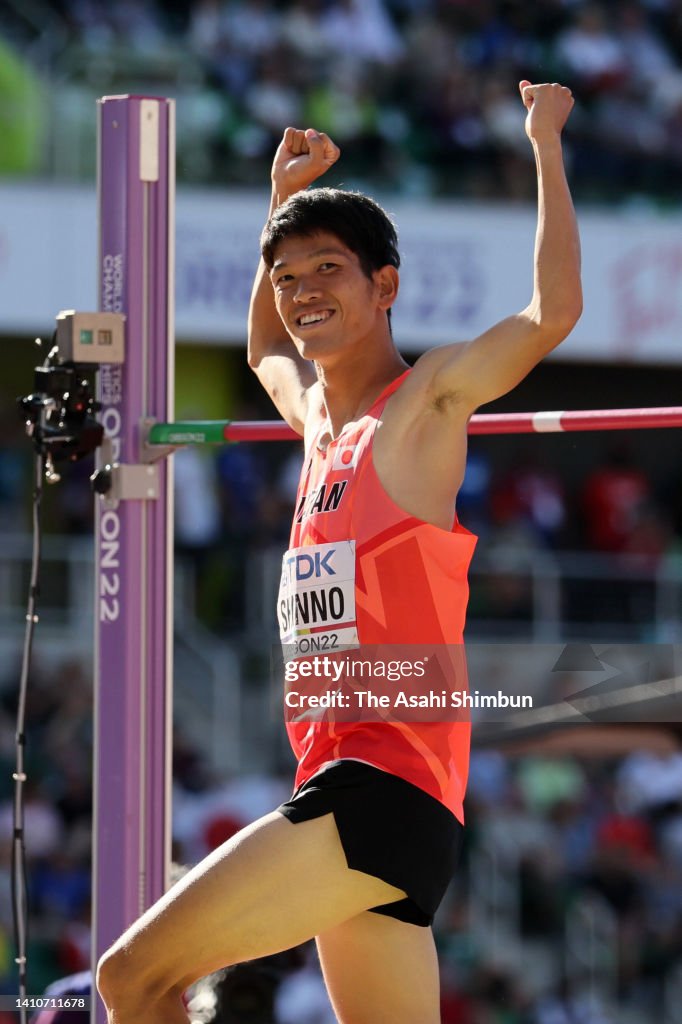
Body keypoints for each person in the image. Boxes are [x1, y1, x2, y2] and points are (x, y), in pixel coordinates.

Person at [96, 80, 581, 1024]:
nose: (301, 292)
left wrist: (545, 145)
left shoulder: (428, 402)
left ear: (384, 287)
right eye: (288, 278)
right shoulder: (318, 422)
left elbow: (550, 313)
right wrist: (280, 207)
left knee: (130, 980)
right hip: (370, 798)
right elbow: (259, 347)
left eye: (326, 270)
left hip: (379, 785)